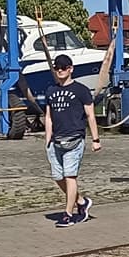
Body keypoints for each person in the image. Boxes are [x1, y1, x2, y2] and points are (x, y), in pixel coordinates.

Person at [41, 53, 100, 226]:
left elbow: (90, 115)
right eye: (57, 67)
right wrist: (47, 139)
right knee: (58, 176)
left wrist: (95, 139)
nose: (60, 70)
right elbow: (49, 116)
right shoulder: (51, 91)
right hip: (56, 141)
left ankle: (68, 214)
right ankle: (81, 202)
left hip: (75, 138)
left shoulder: (81, 90)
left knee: (70, 176)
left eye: (63, 67)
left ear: (70, 69)